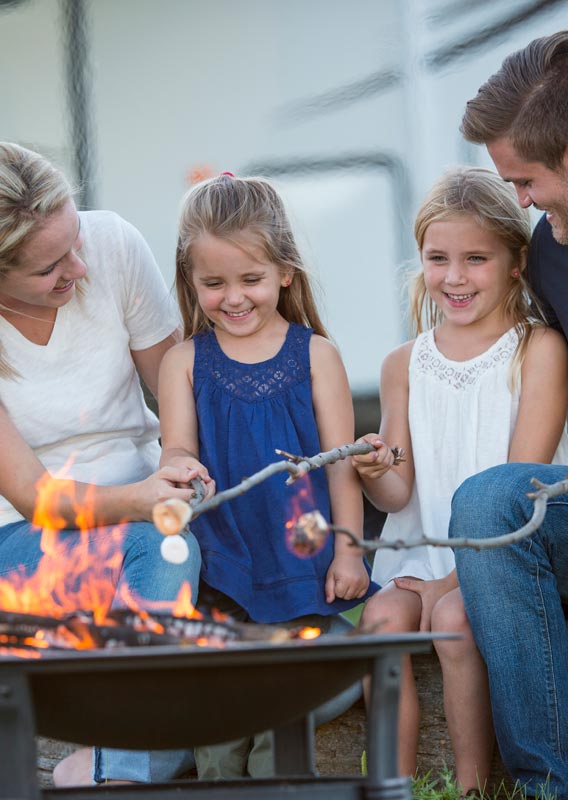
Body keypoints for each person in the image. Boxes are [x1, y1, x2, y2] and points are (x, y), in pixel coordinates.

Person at [0, 142, 213, 786]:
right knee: (160, 543)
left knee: (168, 547)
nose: (80, 267)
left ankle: (121, 767)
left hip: (145, 521)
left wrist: (176, 460)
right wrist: (145, 501)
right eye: (50, 268)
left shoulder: (113, 242)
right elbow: (36, 498)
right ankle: (141, 759)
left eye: (74, 242)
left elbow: (176, 386)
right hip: (25, 545)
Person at [351, 166, 568, 795]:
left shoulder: (540, 350)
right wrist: (373, 473)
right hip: (418, 556)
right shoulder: (403, 364)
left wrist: (451, 578)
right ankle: (391, 784)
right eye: (438, 258)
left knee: (454, 617)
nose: (454, 277)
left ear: (516, 261)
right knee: (382, 619)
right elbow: (398, 492)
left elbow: (518, 488)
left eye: (476, 258)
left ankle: (468, 786)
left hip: (501, 562)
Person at [158, 172, 378, 779]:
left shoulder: (316, 355)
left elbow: (341, 466)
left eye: (251, 279)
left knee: (278, 707)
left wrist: (348, 552)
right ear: (190, 281)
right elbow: (175, 443)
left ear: (284, 271)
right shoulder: (183, 362)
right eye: (213, 283)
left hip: (298, 552)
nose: (234, 297)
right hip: (222, 556)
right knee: (220, 711)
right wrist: (176, 463)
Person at [448, 30, 568, 799]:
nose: (520, 201)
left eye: (525, 181)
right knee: (488, 502)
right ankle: (545, 783)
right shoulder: (550, 246)